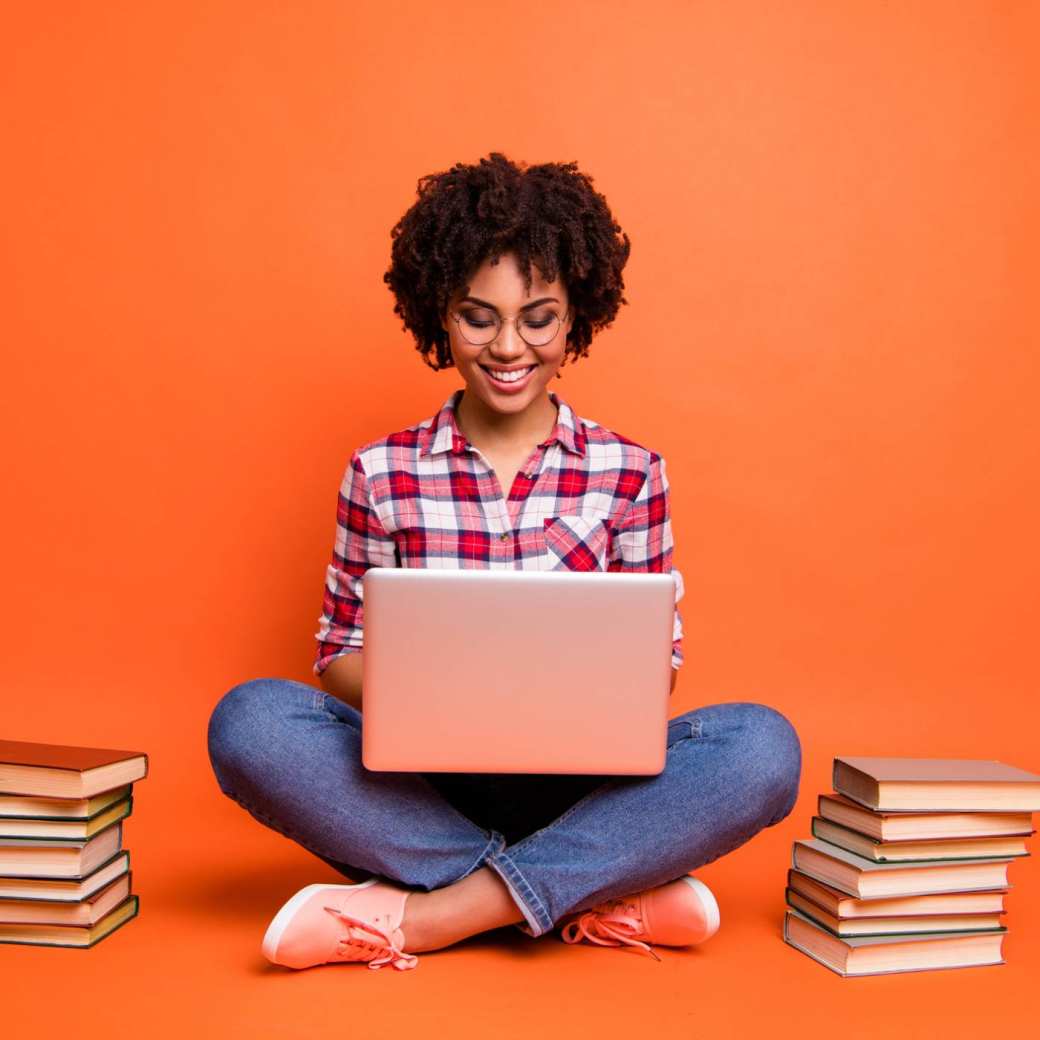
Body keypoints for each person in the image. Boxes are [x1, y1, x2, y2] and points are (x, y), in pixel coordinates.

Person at [207, 152, 801, 973]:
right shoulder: (380, 472)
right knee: (249, 724)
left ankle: (434, 916)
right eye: (478, 317)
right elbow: (336, 658)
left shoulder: (632, 472)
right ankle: (593, 891)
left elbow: (654, 670)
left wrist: (552, 678)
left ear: (576, 319)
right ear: (438, 316)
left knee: (763, 749)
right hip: (420, 785)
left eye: (539, 317)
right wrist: (442, 675)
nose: (509, 346)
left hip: (582, 786)